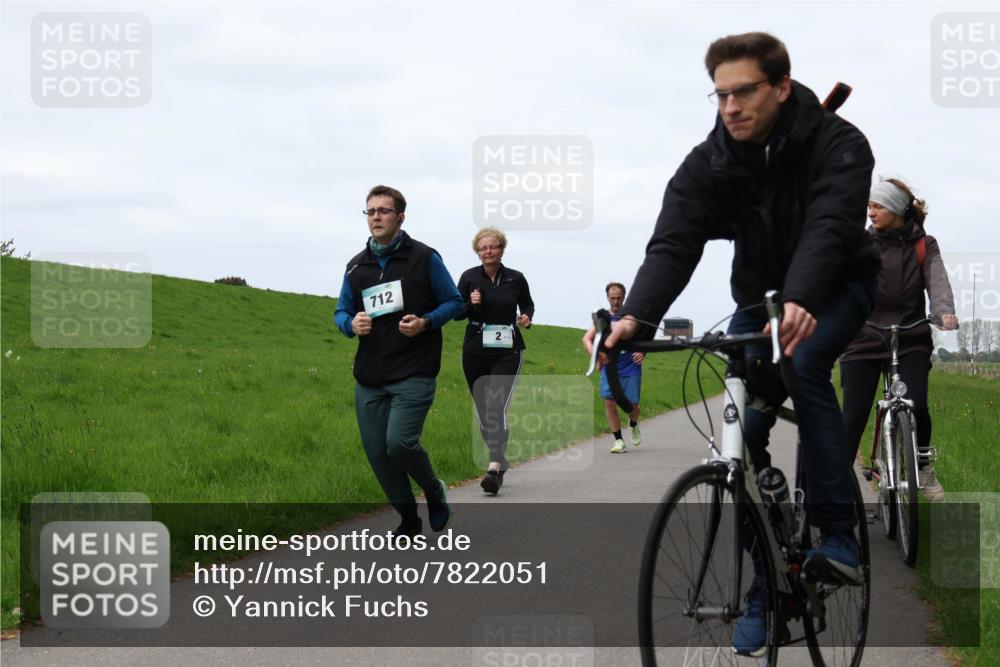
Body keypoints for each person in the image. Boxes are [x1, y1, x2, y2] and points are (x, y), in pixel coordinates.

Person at [582, 32, 880, 656]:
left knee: (805, 362)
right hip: (761, 297)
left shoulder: (840, 143)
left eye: (743, 92)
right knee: (740, 433)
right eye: (719, 95)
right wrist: (634, 318)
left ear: (781, 86)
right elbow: (674, 241)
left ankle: (838, 536)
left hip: (835, 289)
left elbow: (830, 227)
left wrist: (800, 298)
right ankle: (767, 583)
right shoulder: (712, 161)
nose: (730, 107)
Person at [334, 185, 463, 540]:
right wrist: (351, 324)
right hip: (371, 375)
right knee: (378, 453)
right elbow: (341, 311)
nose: (376, 217)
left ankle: (433, 490)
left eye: (383, 211)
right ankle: (408, 518)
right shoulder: (356, 267)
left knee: (399, 443)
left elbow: (455, 302)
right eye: (370, 211)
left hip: (414, 370)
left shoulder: (424, 258)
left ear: (400, 217)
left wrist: (425, 322)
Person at [840, 178, 957, 492]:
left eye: (878, 206)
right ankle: (835, 486)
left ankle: (923, 467)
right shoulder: (860, 244)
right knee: (852, 419)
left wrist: (944, 310)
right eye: (869, 206)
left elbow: (937, 280)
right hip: (864, 337)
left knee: (917, 405)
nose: (871, 212)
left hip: (910, 337)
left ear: (896, 209)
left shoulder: (924, 245)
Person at [456, 227, 534, 495]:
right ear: (477, 252)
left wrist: (526, 317)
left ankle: (493, 468)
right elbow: (456, 313)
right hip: (475, 350)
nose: (488, 251)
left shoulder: (516, 278)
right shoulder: (469, 277)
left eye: (493, 246)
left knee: (495, 406)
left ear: (501, 249)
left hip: (507, 350)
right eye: (483, 248)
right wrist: (469, 303)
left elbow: (528, 304)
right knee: (483, 411)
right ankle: (500, 459)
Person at [599, 282, 644, 453]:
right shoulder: (603, 318)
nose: (615, 301)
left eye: (618, 298)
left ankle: (633, 423)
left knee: (633, 405)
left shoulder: (632, 316)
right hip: (610, 365)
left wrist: (642, 352)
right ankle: (618, 440)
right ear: (607, 298)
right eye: (612, 298)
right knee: (610, 402)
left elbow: (644, 338)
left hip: (631, 365)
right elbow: (598, 340)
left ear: (624, 297)